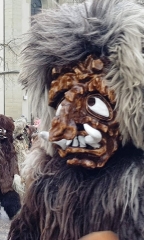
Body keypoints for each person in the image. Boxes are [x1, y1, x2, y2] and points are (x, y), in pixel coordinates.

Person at [8, 0, 144, 239]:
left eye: (93, 102)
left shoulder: (136, 189)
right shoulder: (46, 181)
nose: (65, 129)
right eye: (61, 104)